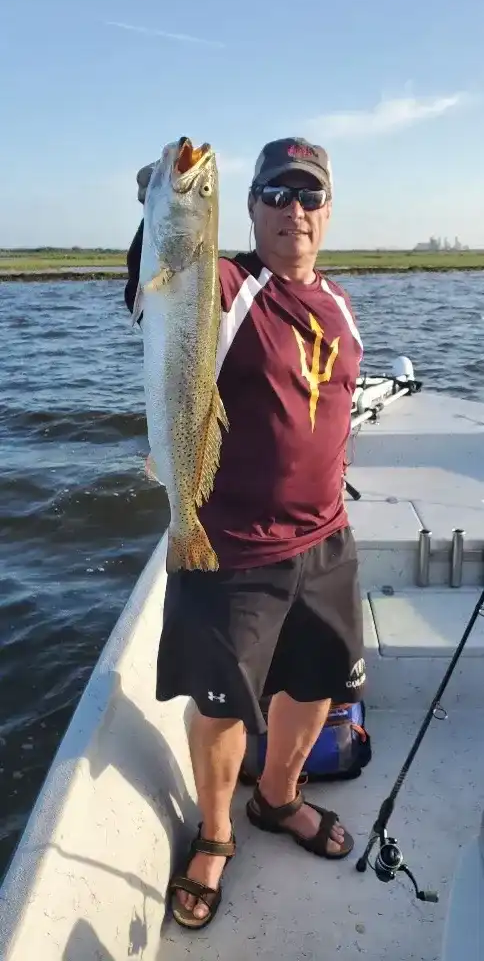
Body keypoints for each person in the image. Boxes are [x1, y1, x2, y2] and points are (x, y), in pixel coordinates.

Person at [124, 137, 366, 931]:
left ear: (326, 211)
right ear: (252, 207)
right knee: (223, 707)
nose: (293, 209)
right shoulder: (224, 284)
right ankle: (218, 832)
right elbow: (160, 284)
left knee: (314, 685)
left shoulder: (338, 301)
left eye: (309, 196)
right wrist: (161, 200)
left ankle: (279, 799)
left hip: (326, 543)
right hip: (233, 549)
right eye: (276, 194)